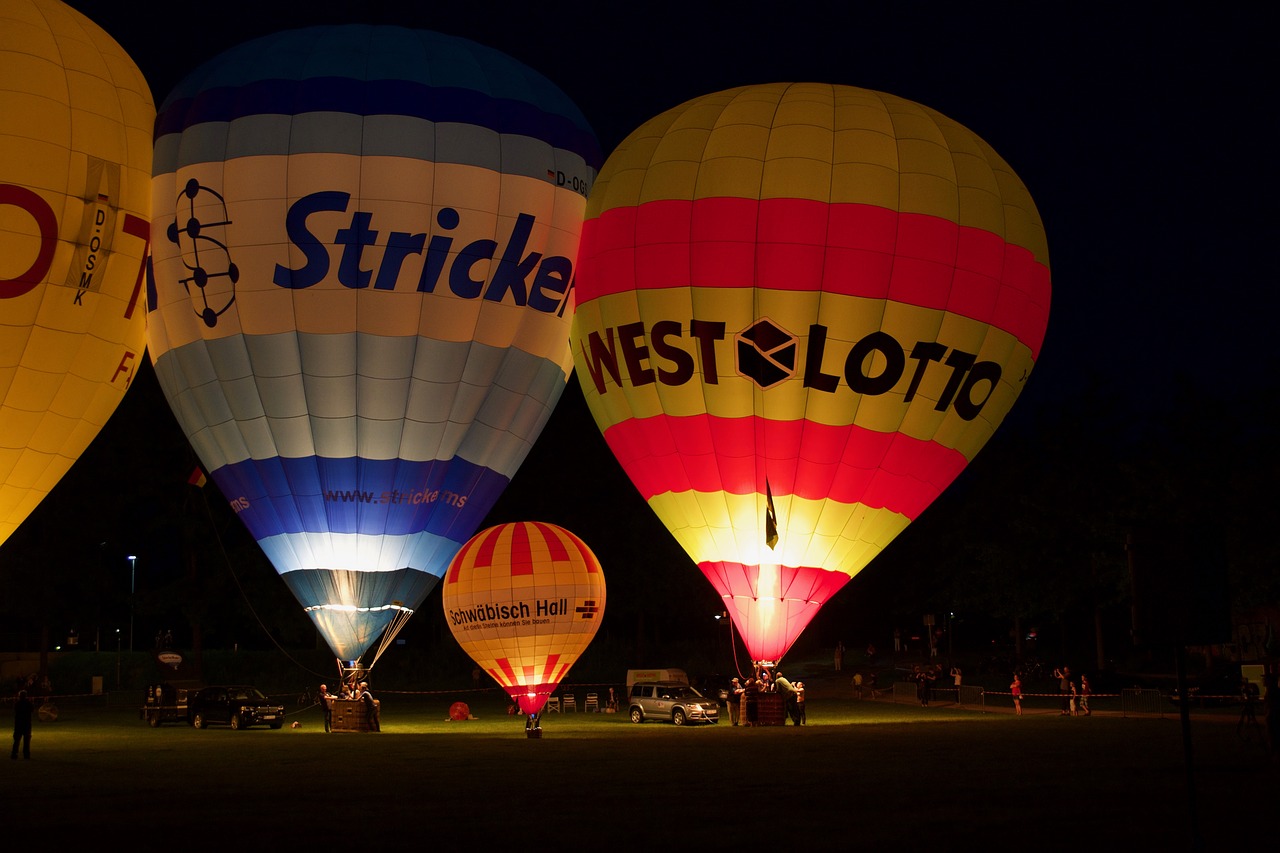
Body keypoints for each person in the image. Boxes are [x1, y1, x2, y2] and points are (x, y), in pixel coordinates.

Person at [11, 689, 33, 759]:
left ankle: (14, 754)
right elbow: (32, 710)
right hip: (26, 724)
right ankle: (26, 755)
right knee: (26, 741)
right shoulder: (28, 703)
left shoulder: (17, 703)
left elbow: (15, 710)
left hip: (18, 724)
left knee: (16, 740)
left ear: (19, 696)